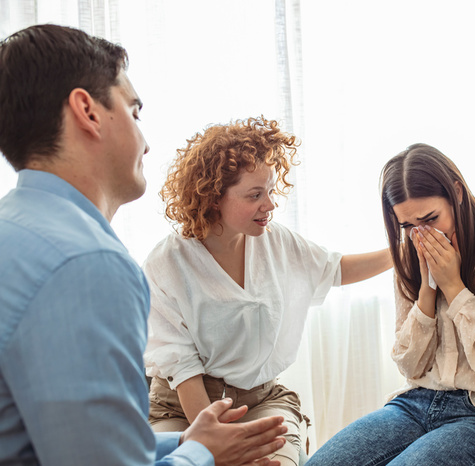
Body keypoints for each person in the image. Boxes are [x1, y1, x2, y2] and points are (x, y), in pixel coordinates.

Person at [0, 24, 288, 465]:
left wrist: (189, 445)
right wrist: (201, 456)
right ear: (87, 111)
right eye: (134, 112)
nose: (147, 142)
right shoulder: (86, 264)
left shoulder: (15, 229)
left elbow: (78, 444)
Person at [142, 117, 393, 466]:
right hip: (183, 409)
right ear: (214, 198)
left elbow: (335, 269)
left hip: (262, 400)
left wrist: (399, 252)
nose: (270, 204)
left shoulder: (277, 242)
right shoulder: (167, 263)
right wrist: (216, 448)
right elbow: (184, 372)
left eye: (271, 191)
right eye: (255, 195)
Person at [306, 143, 475, 465]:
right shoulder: (409, 253)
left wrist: (454, 287)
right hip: (418, 401)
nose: (421, 234)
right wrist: (427, 289)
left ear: (457, 194)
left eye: (430, 218)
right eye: (408, 225)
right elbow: (410, 366)